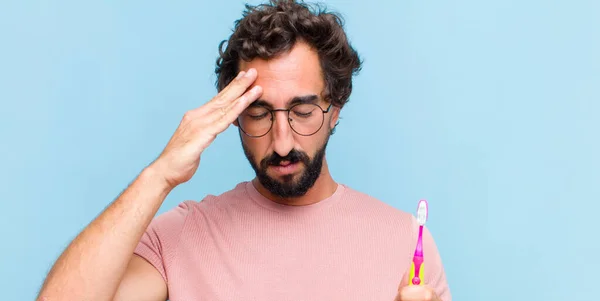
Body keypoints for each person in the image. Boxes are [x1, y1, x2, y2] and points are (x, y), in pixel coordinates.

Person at [37, 0, 451, 300]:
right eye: (259, 114)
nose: (283, 142)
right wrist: (159, 175)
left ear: (335, 109)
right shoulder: (179, 237)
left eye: (303, 111)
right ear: (232, 115)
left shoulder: (406, 242)